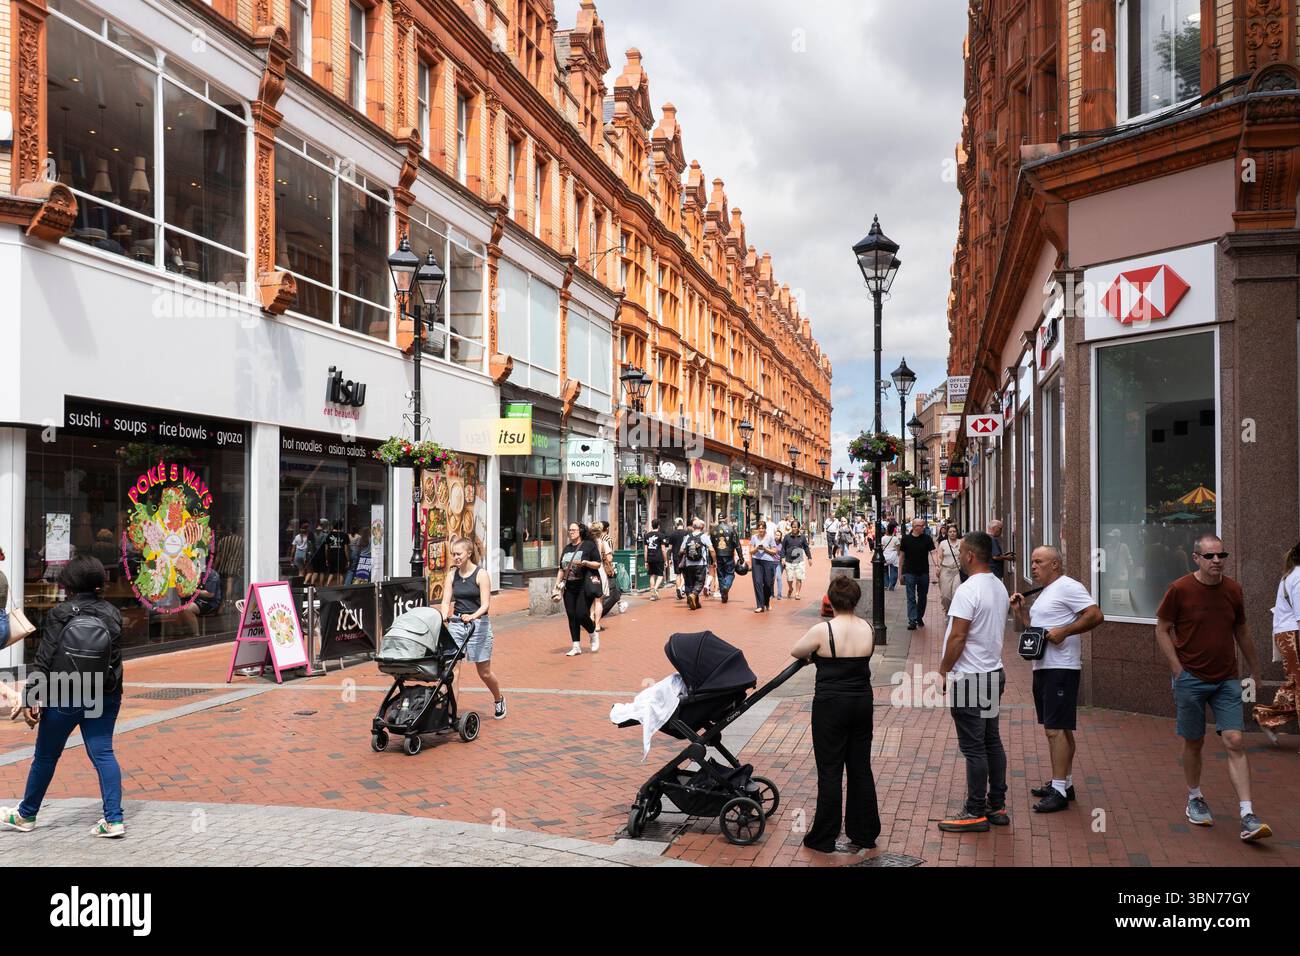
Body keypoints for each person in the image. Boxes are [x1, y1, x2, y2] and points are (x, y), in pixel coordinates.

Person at [1155, 534, 1270, 841]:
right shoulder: (1179, 589)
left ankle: (1247, 813)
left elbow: (1242, 629)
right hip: (1190, 678)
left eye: (1221, 555)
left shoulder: (1233, 589)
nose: (1217, 561)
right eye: (1210, 556)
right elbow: (1163, 629)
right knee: (1194, 741)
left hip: (1226, 679)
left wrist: (1255, 669)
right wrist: (1177, 668)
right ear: (1196, 558)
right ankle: (1195, 797)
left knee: (1234, 740)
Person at [2, 556, 126, 838]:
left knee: (45, 757)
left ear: (69, 583)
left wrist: (33, 697)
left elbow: (44, 661)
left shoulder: (62, 612)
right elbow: (114, 661)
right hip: (104, 695)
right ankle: (114, 819)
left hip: (64, 694)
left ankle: (26, 815)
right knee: (103, 753)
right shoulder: (112, 613)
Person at [1010, 547, 1104, 813]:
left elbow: (1095, 615)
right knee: (1060, 727)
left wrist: (1066, 631)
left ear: (1055, 564)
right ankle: (1065, 783)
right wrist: (1021, 613)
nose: (1033, 566)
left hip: (1061, 668)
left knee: (1055, 729)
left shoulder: (1068, 586)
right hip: (1044, 666)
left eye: (1038, 562)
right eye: (1031, 561)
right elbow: (1037, 632)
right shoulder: (1046, 592)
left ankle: (1059, 790)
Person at [791, 575, 880, 853]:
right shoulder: (869, 628)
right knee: (860, 768)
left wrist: (814, 656)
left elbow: (796, 651)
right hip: (862, 702)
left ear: (830, 600)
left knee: (830, 770)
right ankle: (864, 831)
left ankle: (824, 836)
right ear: (856, 600)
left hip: (831, 704)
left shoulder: (823, 630)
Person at [937, 532, 1010, 833]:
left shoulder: (968, 590)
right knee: (991, 740)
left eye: (962, 550)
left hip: (972, 677)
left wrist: (944, 669)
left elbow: (958, 636)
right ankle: (997, 804)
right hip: (993, 672)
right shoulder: (999, 586)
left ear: (969, 556)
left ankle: (975, 810)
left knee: (974, 747)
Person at [440, 538, 505, 719]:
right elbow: (446, 601)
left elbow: (485, 605)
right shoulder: (452, 575)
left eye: (458, 554)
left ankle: (498, 698)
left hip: (479, 625)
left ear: (468, 553)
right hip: (457, 625)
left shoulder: (481, 574)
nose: (455, 557)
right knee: (453, 670)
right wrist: (444, 615)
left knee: (483, 672)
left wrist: (473, 616)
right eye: (453, 554)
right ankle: (451, 713)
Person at [1255, 540, 1300, 748]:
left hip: (1289, 633)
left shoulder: (1290, 575)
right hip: (1294, 633)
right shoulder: (1298, 576)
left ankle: (1266, 717)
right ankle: (1266, 717)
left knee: (1295, 684)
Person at [552, 523, 602, 656]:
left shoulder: (588, 545)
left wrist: (586, 563)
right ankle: (576, 646)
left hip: (584, 586)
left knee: (581, 614)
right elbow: (562, 569)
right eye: (569, 530)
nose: (571, 532)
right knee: (572, 616)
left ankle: (593, 633)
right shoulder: (567, 548)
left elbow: (598, 564)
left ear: (580, 531)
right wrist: (556, 586)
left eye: (573, 530)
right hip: (569, 587)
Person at [900, 518, 936, 630]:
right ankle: (912, 620)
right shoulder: (906, 539)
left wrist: (937, 566)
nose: (922, 527)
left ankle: (919, 616)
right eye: (920, 525)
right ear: (914, 526)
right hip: (910, 572)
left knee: (922, 597)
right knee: (911, 597)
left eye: (923, 525)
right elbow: (901, 557)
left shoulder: (927, 539)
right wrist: (900, 574)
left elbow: (933, 553)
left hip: (924, 572)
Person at [677, 519, 713, 611]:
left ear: (693, 527)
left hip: (688, 564)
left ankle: (694, 602)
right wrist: (715, 561)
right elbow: (711, 550)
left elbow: (681, 550)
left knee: (689, 583)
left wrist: (688, 551)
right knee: (699, 582)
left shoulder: (687, 537)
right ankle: (693, 595)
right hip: (700, 563)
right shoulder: (704, 536)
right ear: (702, 527)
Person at [749, 522, 779, 614]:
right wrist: (757, 548)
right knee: (757, 582)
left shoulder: (770, 537)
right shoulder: (754, 538)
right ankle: (760, 606)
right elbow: (751, 551)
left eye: (762, 528)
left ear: (765, 529)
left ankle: (766, 602)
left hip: (768, 562)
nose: (761, 530)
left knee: (768, 583)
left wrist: (765, 549)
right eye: (759, 528)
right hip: (756, 561)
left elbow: (774, 551)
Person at [936, 525, 963, 613]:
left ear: (957, 532)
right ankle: (947, 610)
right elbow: (940, 557)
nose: (952, 533)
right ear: (947, 533)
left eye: (954, 531)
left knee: (956, 592)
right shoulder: (943, 543)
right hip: (946, 570)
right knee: (945, 595)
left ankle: (955, 613)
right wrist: (938, 567)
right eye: (950, 532)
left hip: (958, 571)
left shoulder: (962, 542)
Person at [781, 521, 812, 601]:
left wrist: (809, 558)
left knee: (799, 577)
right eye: (793, 527)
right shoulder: (787, 537)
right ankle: (790, 588)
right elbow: (783, 548)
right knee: (789, 578)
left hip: (799, 560)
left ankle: (797, 593)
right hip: (789, 560)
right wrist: (783, 558)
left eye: (796, 527)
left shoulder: (802, 537)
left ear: (798, 528)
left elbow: (806, 547)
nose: (794, 528)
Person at [711, 519, 739, 604]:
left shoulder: (713, 530)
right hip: (729, 555)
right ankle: (726, 587)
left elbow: (711, 546)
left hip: (718, 555)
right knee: (730, 573)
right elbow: (737, 544)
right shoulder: (731, 529)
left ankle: (723, 594)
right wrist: (741, 557)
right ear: (726, 519)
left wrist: (712, 559)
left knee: (720, 575)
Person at [986, 519, 1017, 589]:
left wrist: (1003, 555)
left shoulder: (987, 538)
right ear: (994, 528)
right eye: (1000, 528)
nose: (1001, 531)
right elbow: (995, 557)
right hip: (995, 573)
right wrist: (1008, 558)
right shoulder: (992, 539)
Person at [644, 518, 667, 600]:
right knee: (661, 575)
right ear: (659, 526)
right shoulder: (661, 535)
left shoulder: (646, 535)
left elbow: (645, 550)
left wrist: (646, 561)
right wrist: (665, 560)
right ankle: (655, 588)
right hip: (659, 557)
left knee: (651, 575)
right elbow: (663, 549)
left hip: (650, 557)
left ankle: (652, 594)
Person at [666, 517, 688, 601]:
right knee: (686, 574)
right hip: (684, 556)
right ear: (682, 523)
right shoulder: (686, 533)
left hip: (675, 556)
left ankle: (678, 590)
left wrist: (669, 558)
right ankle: (680, 588)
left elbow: (670, 548)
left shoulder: (672, 534)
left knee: (678, 574)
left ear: (676, 524)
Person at [881, 523, 901, 591]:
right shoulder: (895, 539)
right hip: (893, 556)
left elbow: (881, 547)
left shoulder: (883, 538)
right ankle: (892, 585)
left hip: (885, 555)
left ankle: (886, 585)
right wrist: (898, 554)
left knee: (884, 571)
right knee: (894, 571)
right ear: (893, 531)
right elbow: (898, 549)